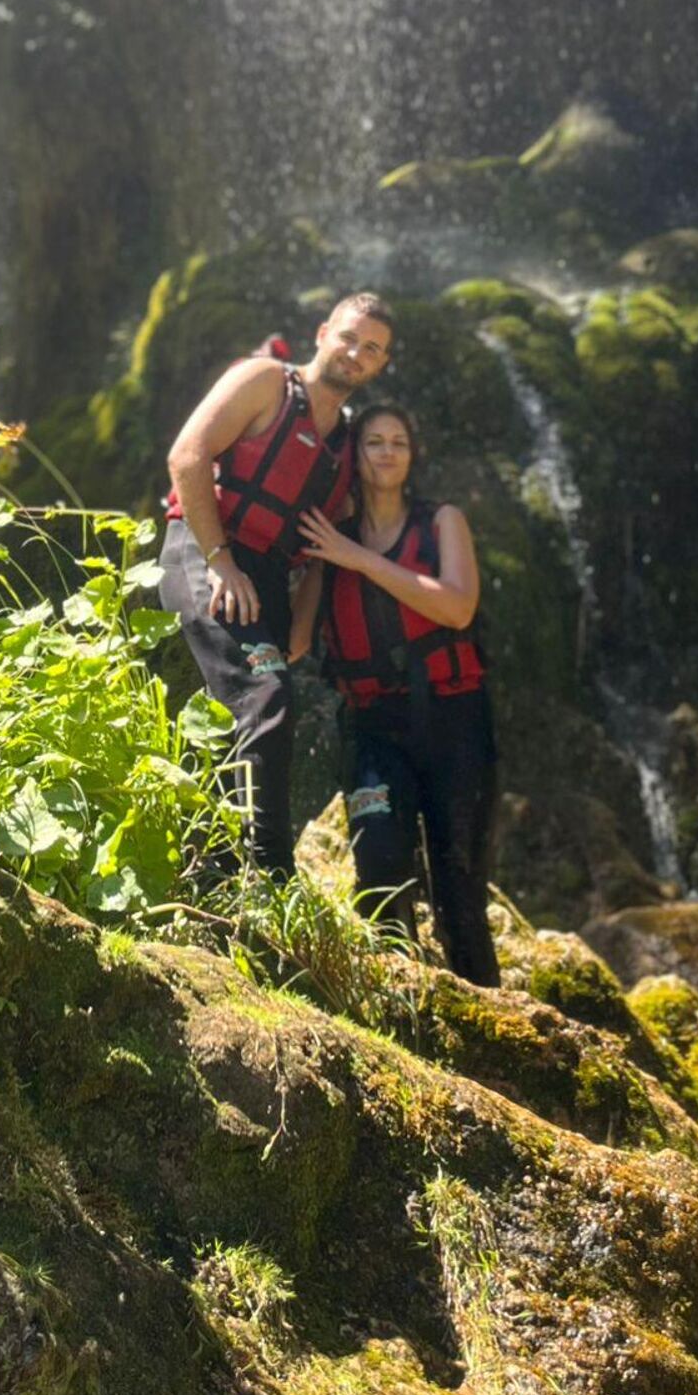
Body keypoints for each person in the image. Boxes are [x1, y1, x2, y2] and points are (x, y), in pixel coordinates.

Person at [160, 293, 396, 875]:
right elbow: (187, 455)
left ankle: (210, 868)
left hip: (263, 577)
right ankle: (269, 873)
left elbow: (318, 550)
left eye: (371, 349)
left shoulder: (346, 445)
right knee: (266, 696)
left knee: (253, 707)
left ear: (380, 365)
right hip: (203, 546)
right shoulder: (266, 381)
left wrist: (301, 623)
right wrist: (219, 560)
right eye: (348, 336)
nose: (355, 353)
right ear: (322, 333)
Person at [291, 405, 501, 987]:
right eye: (374, 442)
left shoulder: (442, 521)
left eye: (398, 443)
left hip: (455, 721)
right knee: (381, 871)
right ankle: (402, 1019)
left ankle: (485, 1031)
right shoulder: (329, 537)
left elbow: (458, 605)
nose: (386, 453)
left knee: (460, 891)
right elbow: (297, 641)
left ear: (413, 456)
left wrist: (358, 558)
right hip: (372, 727)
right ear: (353, 456)